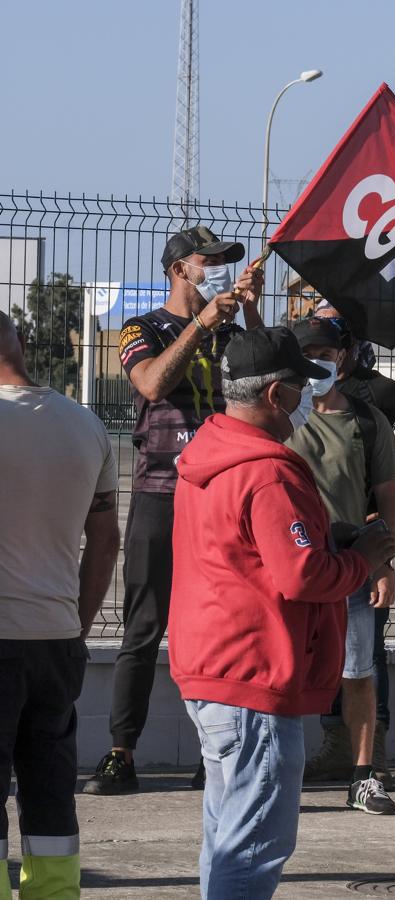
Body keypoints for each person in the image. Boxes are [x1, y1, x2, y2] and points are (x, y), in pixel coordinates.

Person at [169, 326, 395, 898]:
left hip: (214, 666)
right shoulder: (268, 469)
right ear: (275, 396)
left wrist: (328, 537)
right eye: (299, 387)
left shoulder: (208, 454)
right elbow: (302, 576)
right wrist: (361, 560)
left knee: (226, 835)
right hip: (255, 676)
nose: (307, 401)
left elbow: (254, 551)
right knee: (252, 848)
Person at [86, 226, 263, 796]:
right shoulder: (143, 328)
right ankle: (121, 753)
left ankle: (219, 754)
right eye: (204, 259)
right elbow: (153, 383)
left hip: (224, 495)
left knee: (224, 625)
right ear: (177, 267)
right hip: (163, 491)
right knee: (143, 627)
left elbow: (266, 385)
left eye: (220, 261)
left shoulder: (230, 329)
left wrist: (251, 317)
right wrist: (200, 325)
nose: (213, 268)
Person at [0, 310, 119, 898]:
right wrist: (78, 623)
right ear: (21, 342)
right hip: (56, 639)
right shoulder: (86, 423)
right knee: (50, 791)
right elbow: (105, 537)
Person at [287, 317, 395, 815]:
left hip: (352, 566)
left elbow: (389, 499)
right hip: (290, 568)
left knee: (359, 672)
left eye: (326, 353)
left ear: (343, 357)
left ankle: (362, 775)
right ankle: (279, 774)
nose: (317, 362)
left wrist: (385, 562)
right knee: (287, 673)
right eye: (306, 353)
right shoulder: (277, 416)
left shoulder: (366, 419)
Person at [313, 300, 395, 435]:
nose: (323, 338)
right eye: (316, 327)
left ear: (354, 337)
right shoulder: (300, 387)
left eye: (334, 327)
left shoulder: (381, 389)